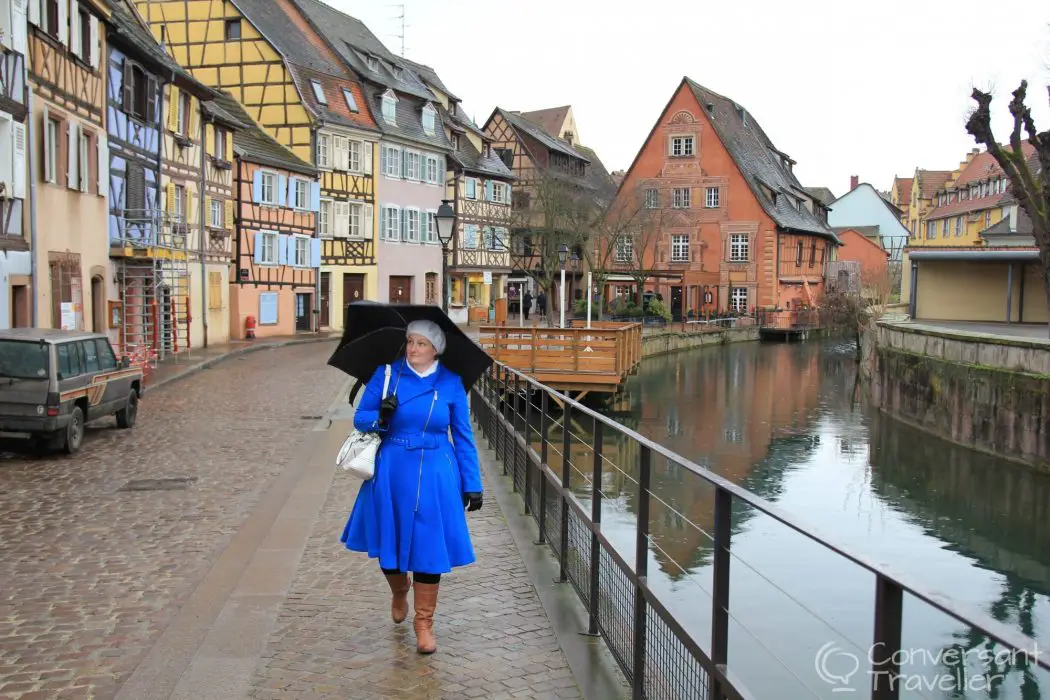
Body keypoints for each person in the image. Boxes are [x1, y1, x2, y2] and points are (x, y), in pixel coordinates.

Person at [340, 319, 483, 655]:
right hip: (392, 469)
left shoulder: (451, 383)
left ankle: (424, 624)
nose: (413, 348)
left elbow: (462, 436)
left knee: (429, 549)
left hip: (436, 472)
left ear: (435, 349)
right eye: (410, 342)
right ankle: (399, 589)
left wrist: (472, 482)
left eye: (421, 343)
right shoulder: (387, 375)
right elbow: (360, 417)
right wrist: (382, 418)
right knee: (389, 546)